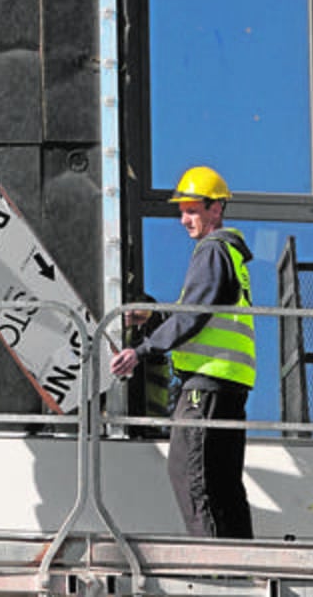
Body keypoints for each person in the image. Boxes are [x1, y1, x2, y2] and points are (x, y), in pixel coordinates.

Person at [109, 166, 256, 539]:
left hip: (205, 383)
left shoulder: (211, 250)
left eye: (193, 210)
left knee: (190, 475)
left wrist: (141, 350)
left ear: (216, 209)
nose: (184, 219)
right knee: (223, 482)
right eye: (182, 211)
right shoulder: (231, 256)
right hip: (229, 384)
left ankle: (213, 568)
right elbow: (202, 310)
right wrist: (157, 315)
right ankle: (241, 562)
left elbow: (194, 315)